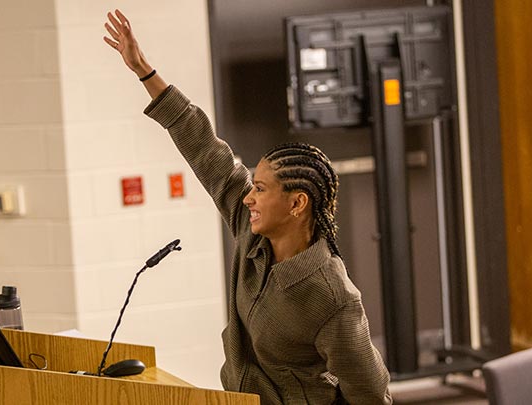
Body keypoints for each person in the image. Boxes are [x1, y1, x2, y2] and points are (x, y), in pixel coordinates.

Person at [103, 9, 392, 405]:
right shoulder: (250, 230)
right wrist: (143, 71)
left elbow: (372, 394)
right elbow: (203, 144)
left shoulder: (331, 295)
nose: (249, 197)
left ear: (297, 203)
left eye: (260, 188)